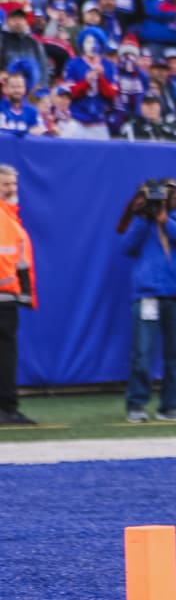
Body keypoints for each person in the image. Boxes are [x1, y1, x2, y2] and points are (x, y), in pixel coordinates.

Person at [119, 179, 176, 423]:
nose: (167, 199)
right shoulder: (143, 222)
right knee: (142, 353)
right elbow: (127, 248)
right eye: (164, 194)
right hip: (149, 294)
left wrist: (167, 222)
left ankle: (170, 406)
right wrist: (143, 218)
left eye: (173, 193)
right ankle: (136, 404)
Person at [0, 165, 35, 425]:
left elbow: (19, 260)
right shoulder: (5, 218)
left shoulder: (11, 217)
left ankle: (8, 407)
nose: (12, 189)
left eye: (13, 184)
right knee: (5, 355)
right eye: (6, 184)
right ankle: (7, 409)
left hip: (9, 298)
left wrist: (24, 292)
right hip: (4, 297)